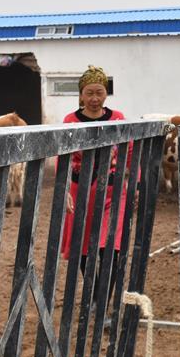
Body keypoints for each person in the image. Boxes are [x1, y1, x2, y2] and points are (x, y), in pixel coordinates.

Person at [59, 66, 129, 302]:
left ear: (106, 94)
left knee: (110, 247)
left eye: (99, 92)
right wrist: (65, 189)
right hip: (81, 194)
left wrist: (135, 185)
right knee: (83, 250)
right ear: (80, 95)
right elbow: (63, 159)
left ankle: (101, 302)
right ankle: (95, 296)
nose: (94, 99)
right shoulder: (69, 122)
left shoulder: (118, 118)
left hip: (112, 191)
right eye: (89, 93)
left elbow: (129, 154)